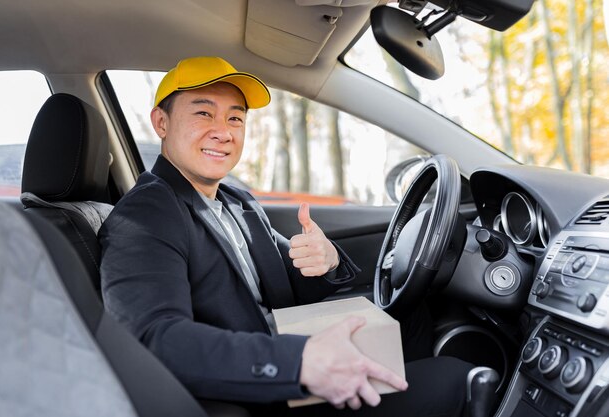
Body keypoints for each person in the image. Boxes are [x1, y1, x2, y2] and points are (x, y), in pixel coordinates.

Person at [99, 56, 475, 416]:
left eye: (235, 118)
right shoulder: (146, 214)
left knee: (410, 315)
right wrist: (299, 362)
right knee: (457, 378)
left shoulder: (235, 200)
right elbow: (153, 338)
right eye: (203, 113)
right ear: (161, 123)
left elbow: (289, 282)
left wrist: (325, 260)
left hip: (279, 342)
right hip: (259, 388)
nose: (223, 131)